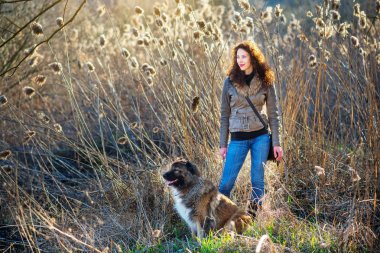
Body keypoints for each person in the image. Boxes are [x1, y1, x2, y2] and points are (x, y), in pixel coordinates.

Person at [218, 40, 283, 216]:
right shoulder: (229, 82)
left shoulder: (266, 81)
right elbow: (224, 115)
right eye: (237, 56)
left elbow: (273, 115)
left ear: (252, 57)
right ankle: (222, 218)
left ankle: (252, 220)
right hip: (237, 139)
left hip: (260, 138)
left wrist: (276, 143)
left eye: (244, 56)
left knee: (257, 181)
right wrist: (222, 144)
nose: (240, 60)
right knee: (225, 183)